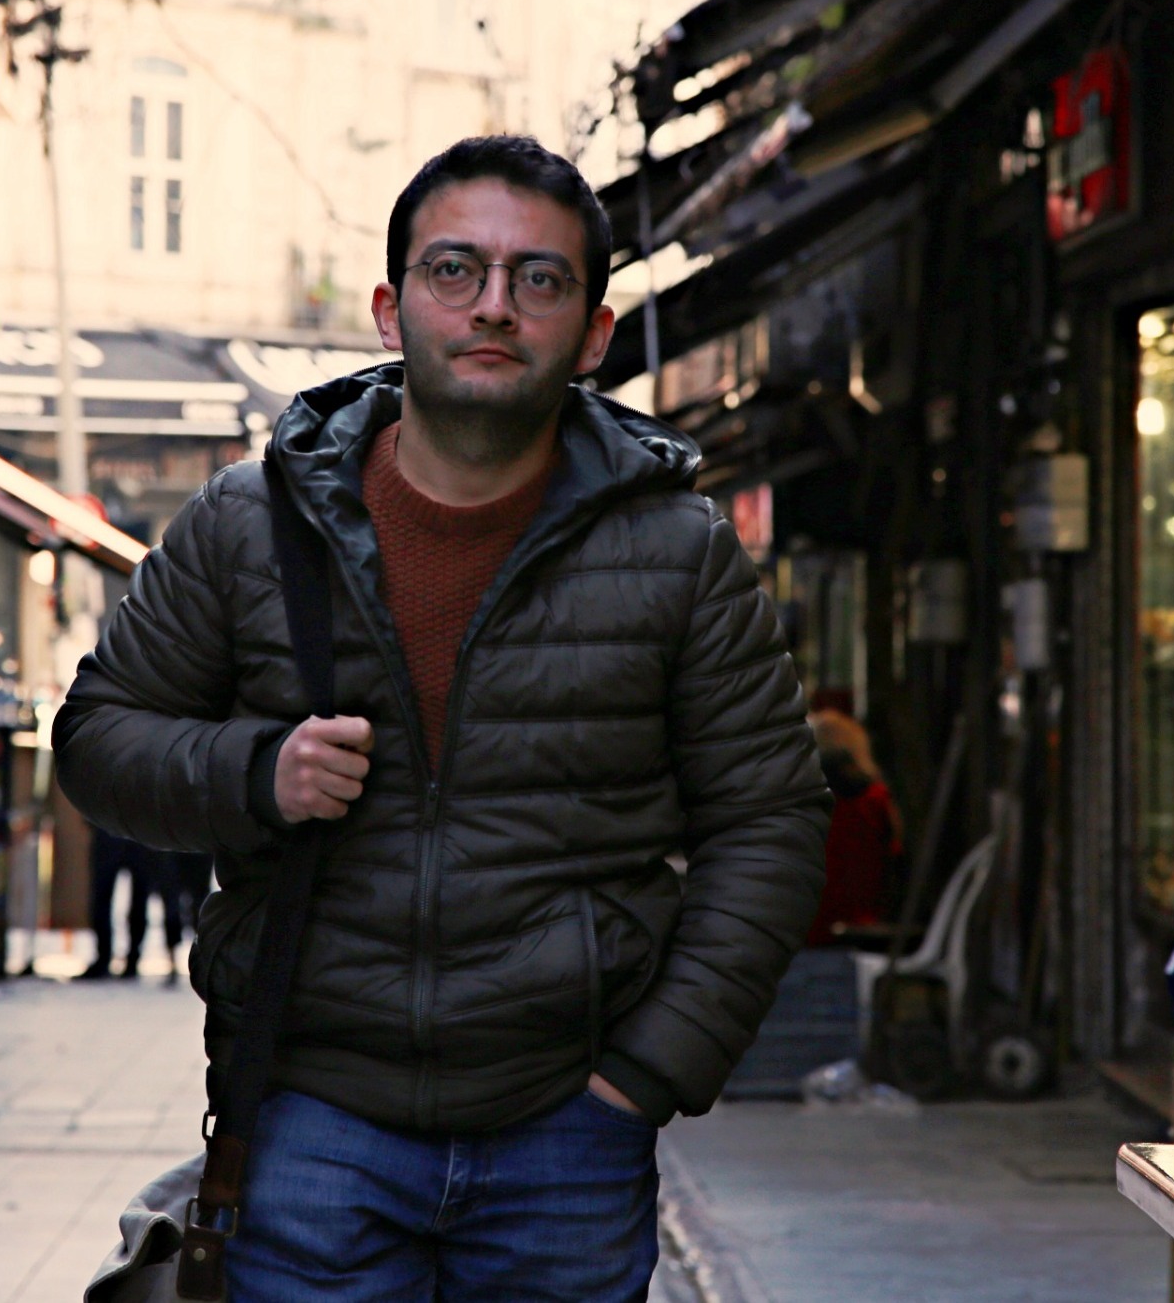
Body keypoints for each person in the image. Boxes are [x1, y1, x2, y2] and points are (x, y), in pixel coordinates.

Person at [54, 135, 830, 1301]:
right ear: (390, 308)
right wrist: (256, 769)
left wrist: (647, 1071)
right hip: (312, 1114)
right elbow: (97, 736)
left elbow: (769, 817)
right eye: (454, 269)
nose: (493, 305)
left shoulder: (675, 551)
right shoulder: (249, 524)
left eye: (538, 278)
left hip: (567, 1125)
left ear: (592, 333)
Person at [806, 707, 903, 944]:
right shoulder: (877, 800)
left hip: (807, 931)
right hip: (862, 929)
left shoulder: (797, 802)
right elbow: (894, 862)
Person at [78, 827, 151, 981]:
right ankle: (112, 958)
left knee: (135, 897)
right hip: (129, 832)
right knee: (105, 897)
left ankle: (125, 959)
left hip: (131, 833)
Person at [146, 849, 213, 986]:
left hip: (179, 846)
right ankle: (199, 962)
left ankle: (193, 962)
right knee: (189, 906)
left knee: (190, 906)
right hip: (194, 847)